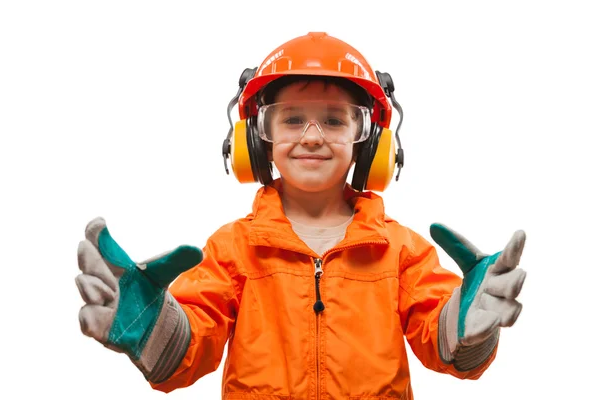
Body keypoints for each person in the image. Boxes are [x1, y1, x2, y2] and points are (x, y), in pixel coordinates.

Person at [75, 32, 527, 399]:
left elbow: (444, 343)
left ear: (368, 141)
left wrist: (468, 330)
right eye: (291, 120)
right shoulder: (233, 249)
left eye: (334, 121)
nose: (312, 137)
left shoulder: (401, 251)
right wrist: (153, 325)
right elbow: (190, 349)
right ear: (258, 137)